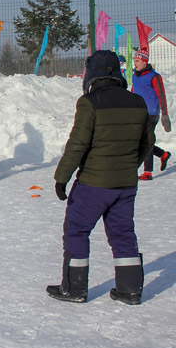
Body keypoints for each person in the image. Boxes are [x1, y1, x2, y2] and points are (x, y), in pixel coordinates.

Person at [47, 50, 153, 305]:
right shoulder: (138, 102)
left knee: (76, 231)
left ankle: (74, 289)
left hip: (93, 184)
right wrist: (129, 166)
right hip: (125, 184)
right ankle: (129, 290)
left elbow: (78, 144)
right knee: (123, 234)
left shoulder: (90, 102)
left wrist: (62, 177)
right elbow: (147, 143)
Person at [131, 49, 171, 180]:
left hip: (151, 114)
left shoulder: (154, 76)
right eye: (134, 61)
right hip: (138, 113)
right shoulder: (134, 76)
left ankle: (147, 172)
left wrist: (164, 114)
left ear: (144, 61)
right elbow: (133, 92)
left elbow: (161, 94)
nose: (135, 64)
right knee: (140, 141)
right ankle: (162, 154)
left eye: (137, 61)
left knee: (146, 141)